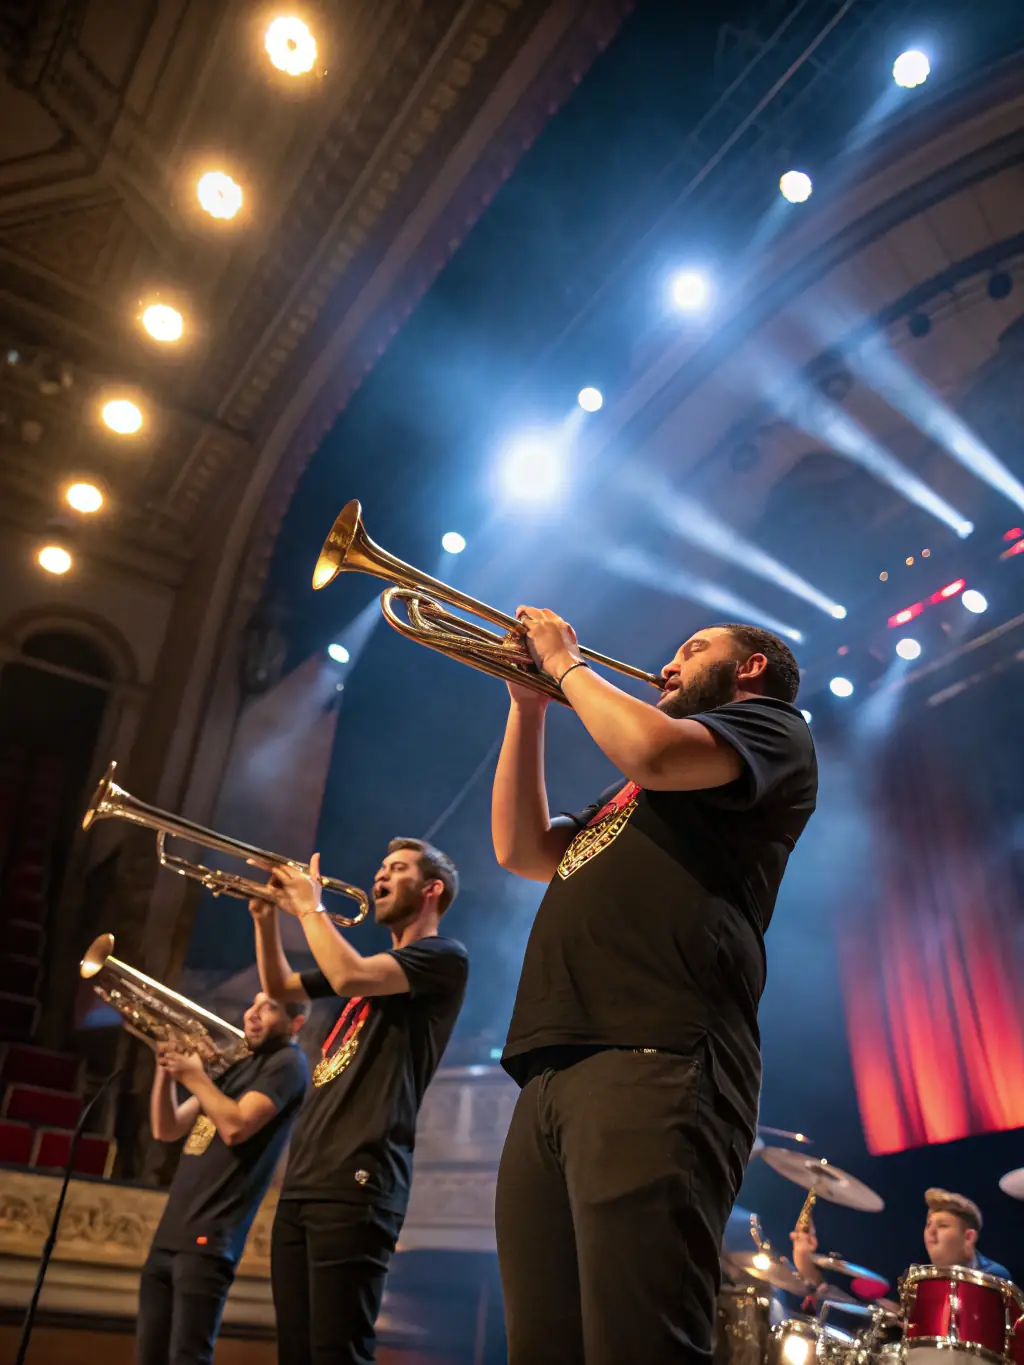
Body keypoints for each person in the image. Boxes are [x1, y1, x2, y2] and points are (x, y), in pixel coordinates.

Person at [491, 614, 817, 1365]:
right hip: (553, 1066)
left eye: (692, 650)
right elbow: (522, 847)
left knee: (639, 1345)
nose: (667, 667)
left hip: (656, 1056)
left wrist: (567, 661)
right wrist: (528, 706)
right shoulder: (634, 788)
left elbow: (650, 747)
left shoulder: (774, 731)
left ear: (752, 668)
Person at [251, 837, 469, 1365]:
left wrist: (310, 904)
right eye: (380, 868)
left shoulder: (442, 958)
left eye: (396, 869)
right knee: (296, 1353)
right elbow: (280, 987)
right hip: (307, 1179)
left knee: (337, 1353)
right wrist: (264, 917)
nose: (379, 876)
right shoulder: (374, 970)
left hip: (359, 1178)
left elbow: (349, 976)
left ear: (431, 888)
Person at [138, 990, 310, 1365]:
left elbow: (235, 1127)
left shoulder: (287, 1063)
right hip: (170, 1235)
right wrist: (165, 1072)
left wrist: (196, 1077)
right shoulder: (237, 1064)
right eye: (254, 1003)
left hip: (209, 1240)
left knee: (189, 1357)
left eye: (269, 1008)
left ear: (296, 1023)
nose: (253, 1014)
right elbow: (167, 1129)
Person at [790, 1187, 1011, 1290]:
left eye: (943, 1226)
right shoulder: (917, 1280)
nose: (931, 1233)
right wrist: (804, 1261)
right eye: (928, 1225)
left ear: (969, 1237)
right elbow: (855, 1308)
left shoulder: (994, 1279)